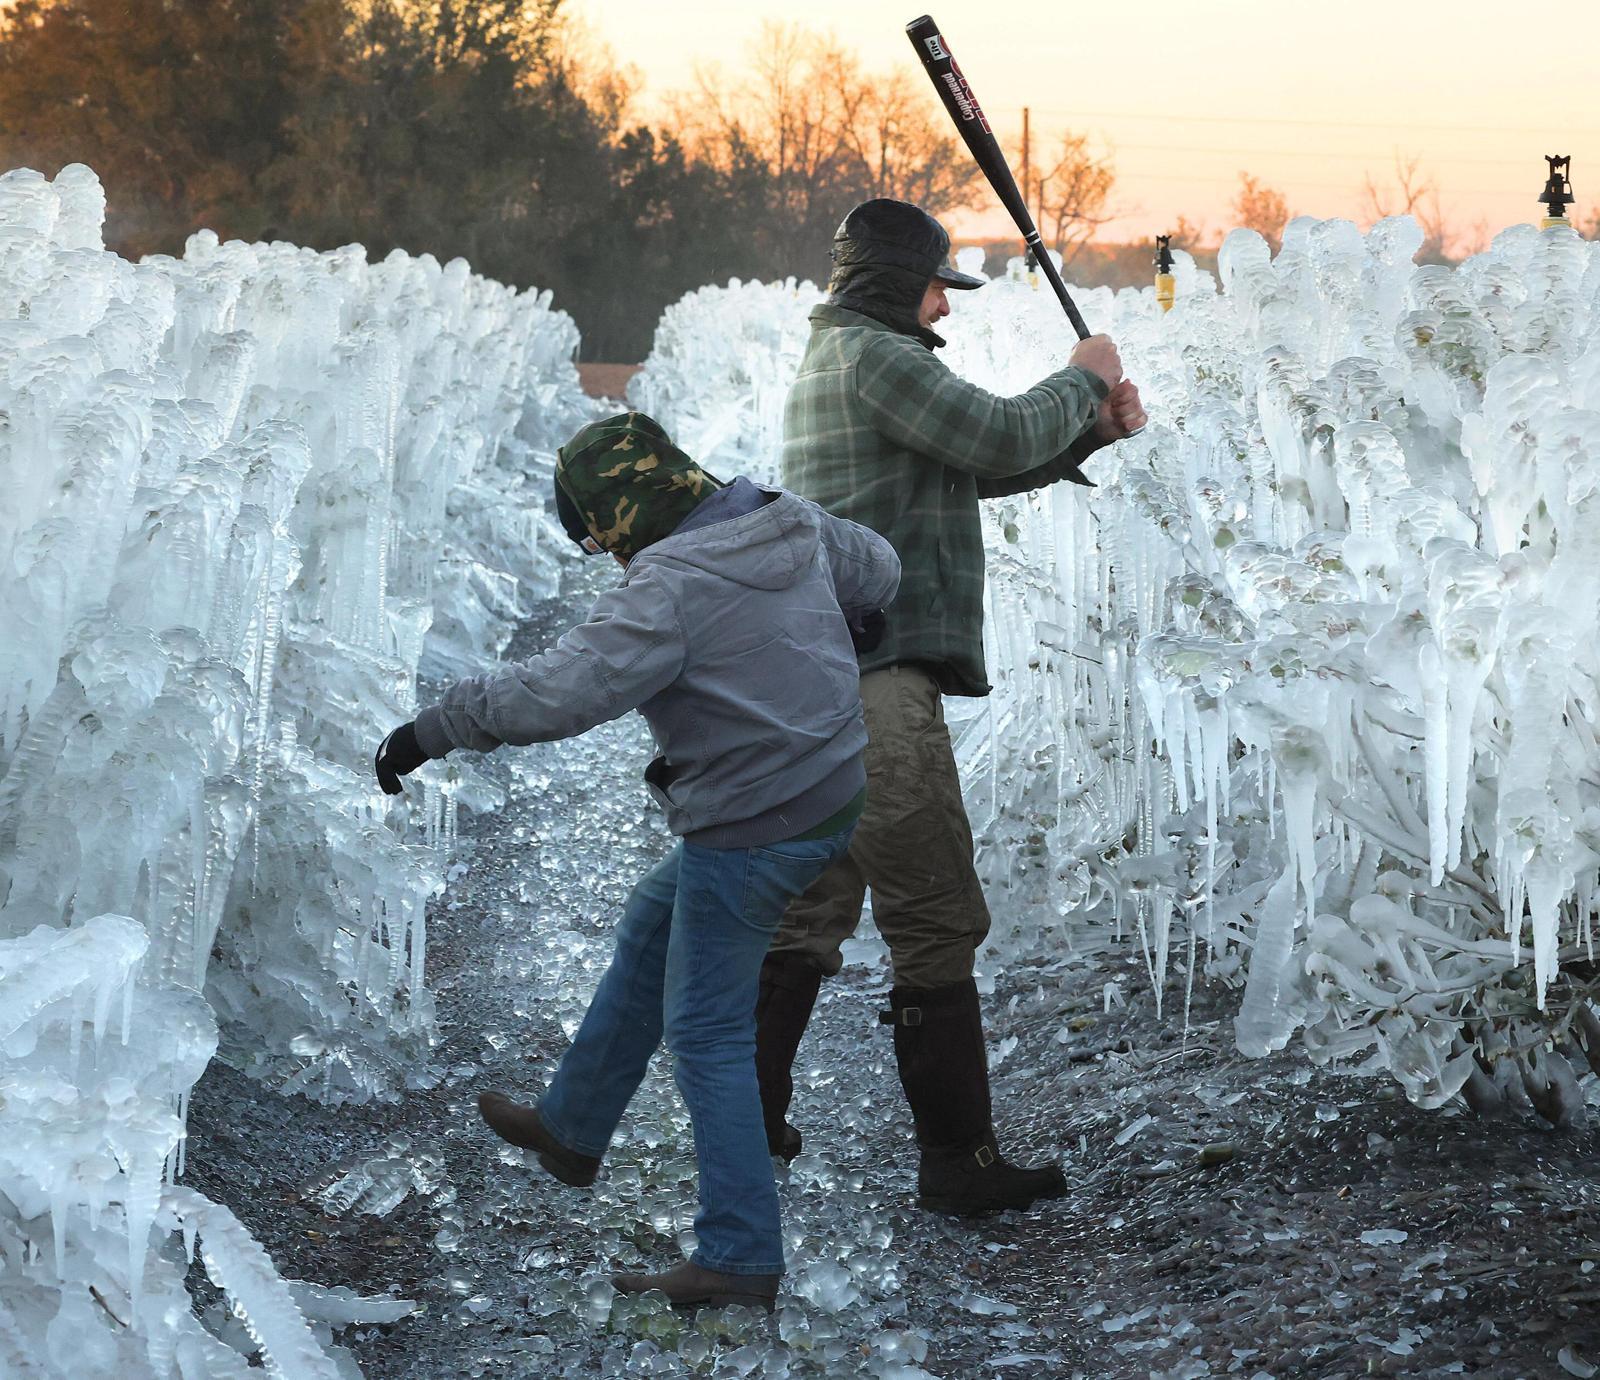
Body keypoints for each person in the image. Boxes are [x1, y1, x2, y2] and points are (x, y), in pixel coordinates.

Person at [374, 412, 899, 1310]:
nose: (606, 557)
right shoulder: (783, 517)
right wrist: (854, 615)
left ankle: (739, 1255)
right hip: (830, 787)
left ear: (619, 517)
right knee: (654, 919)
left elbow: (557, 693)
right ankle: (572, 1126)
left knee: (706, 1033)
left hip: (757, 820)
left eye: (596, 539)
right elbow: (878, 566)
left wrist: (434, 728)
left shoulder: (669, 587)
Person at [755, 199, 1147, 1216]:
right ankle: (959, 1164)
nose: (946, 305)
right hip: (877, 688)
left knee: (809, 911)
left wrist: (1090, 436)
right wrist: (1085, 377)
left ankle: (743, 1120)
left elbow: (959, 471)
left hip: (826, 679)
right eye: (937, 285)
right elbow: (995, 431)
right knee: (934, 914)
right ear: (896, 285)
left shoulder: (847, 359)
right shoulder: (877, 358)